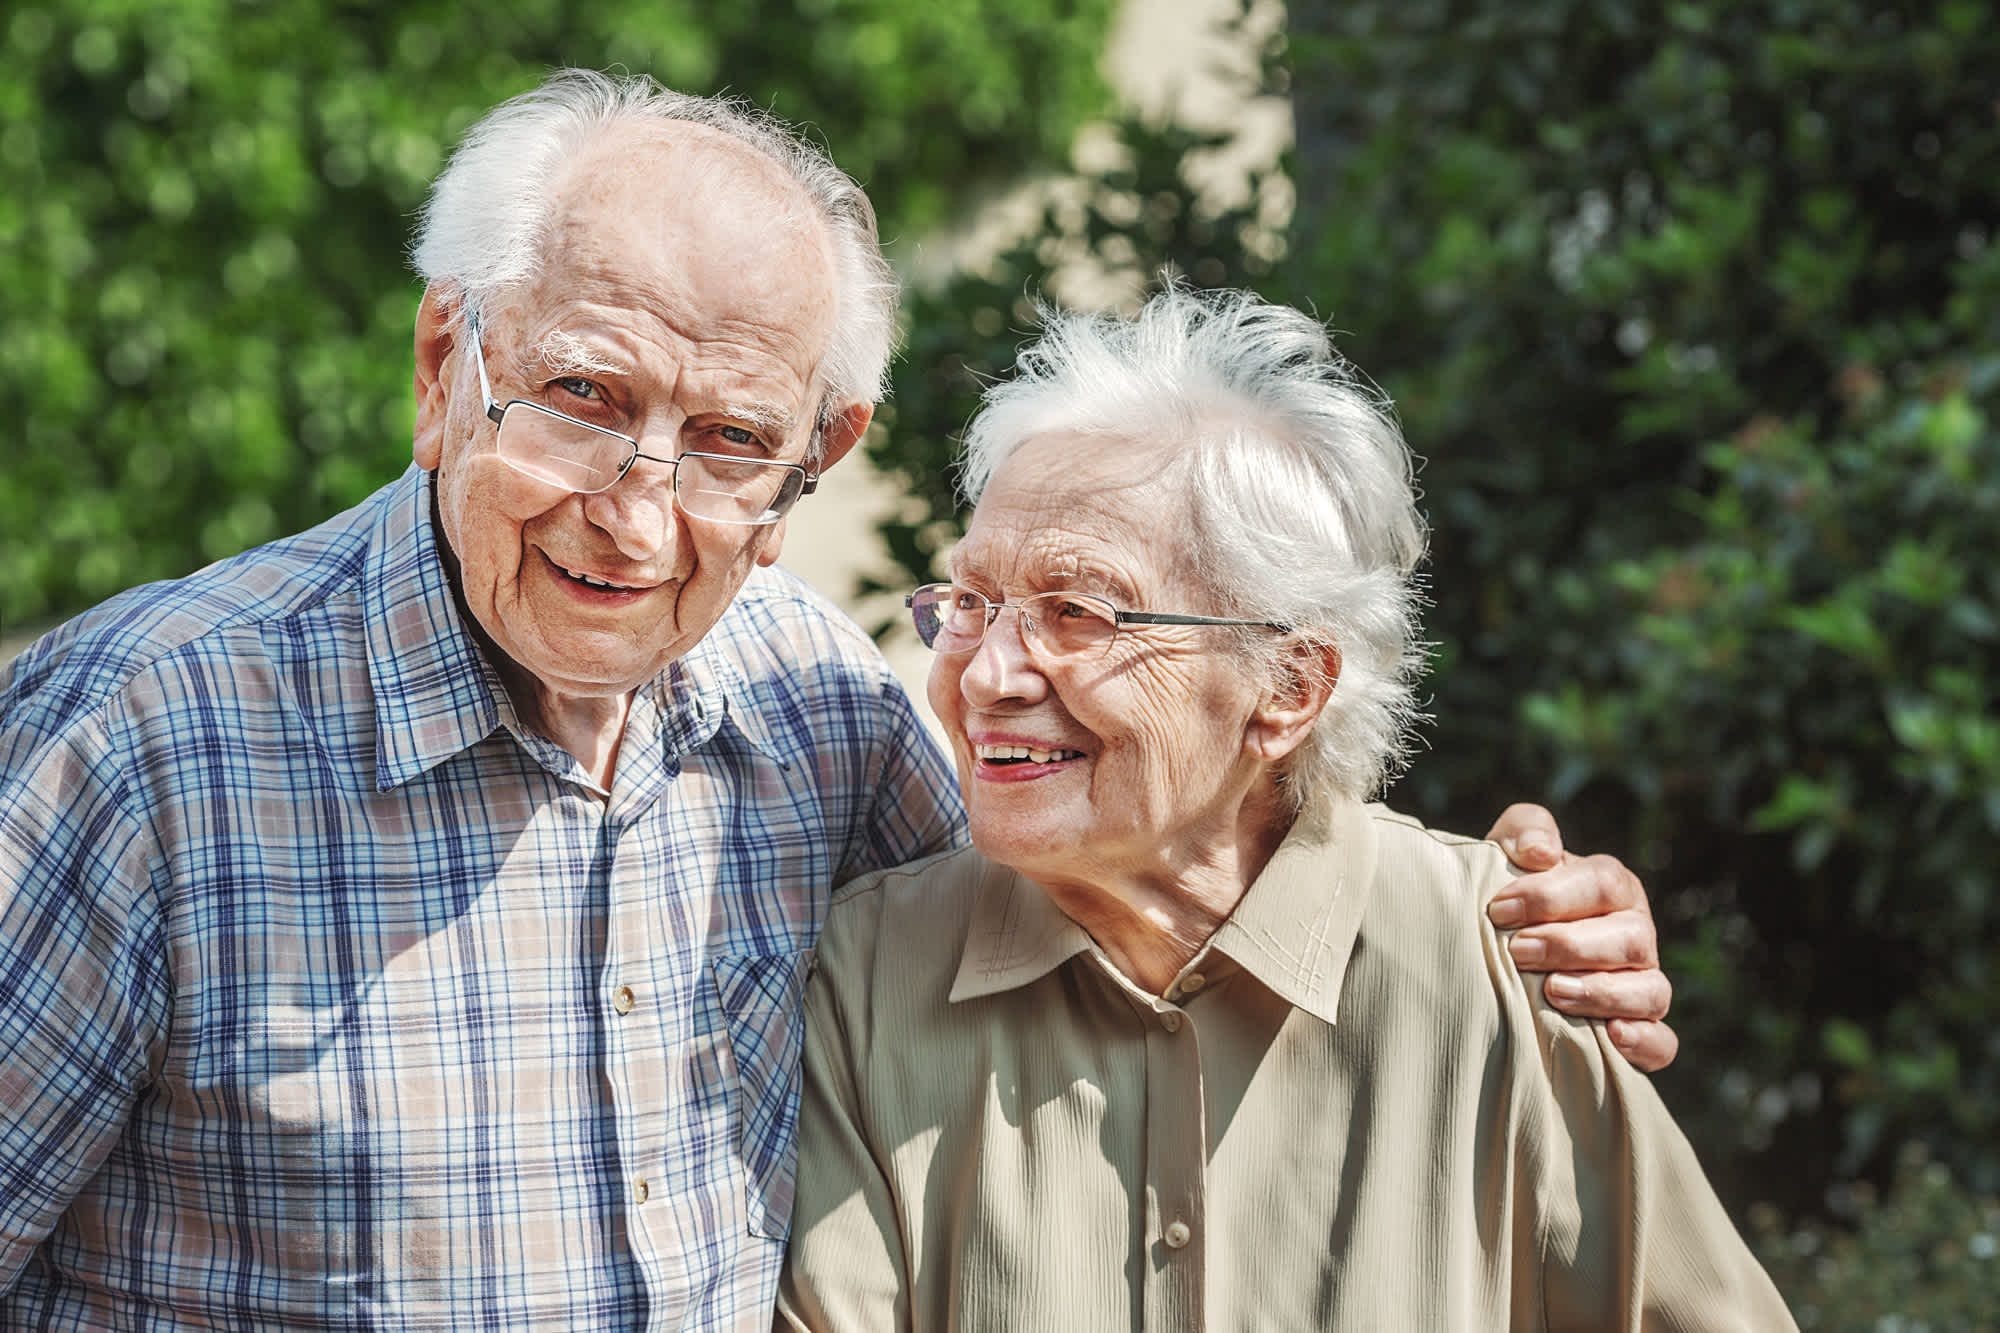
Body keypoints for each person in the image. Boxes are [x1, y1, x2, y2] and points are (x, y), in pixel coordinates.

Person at [0, 71, 1668, 1328]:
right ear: (448, 372)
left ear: (816, 462)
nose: (640, 511)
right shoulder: (141, 744)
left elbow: (1110, 922)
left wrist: (1496, 923)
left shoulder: (810, 705)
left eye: (728, 440)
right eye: (584, 397)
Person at [776, 287, 1792, 1330]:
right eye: (972, 604)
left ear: (1287, 687)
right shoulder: (873, 971)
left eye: (1074, 613)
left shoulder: (1495, 955)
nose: (986, 672)